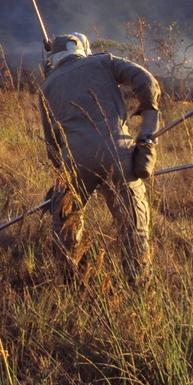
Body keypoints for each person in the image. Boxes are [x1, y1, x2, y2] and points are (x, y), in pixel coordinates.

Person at [39, 33, 161, 283]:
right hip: (117, 151)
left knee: (66, 221)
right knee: (132, 222)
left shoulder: (47, 85)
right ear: (84, 50)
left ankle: (69, 279)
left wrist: (63, 176)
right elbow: (146, 79)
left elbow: (51, 142)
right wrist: (148, 120)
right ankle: (138, 282)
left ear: (54, 57)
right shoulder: (104, 61)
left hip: (74, 158)